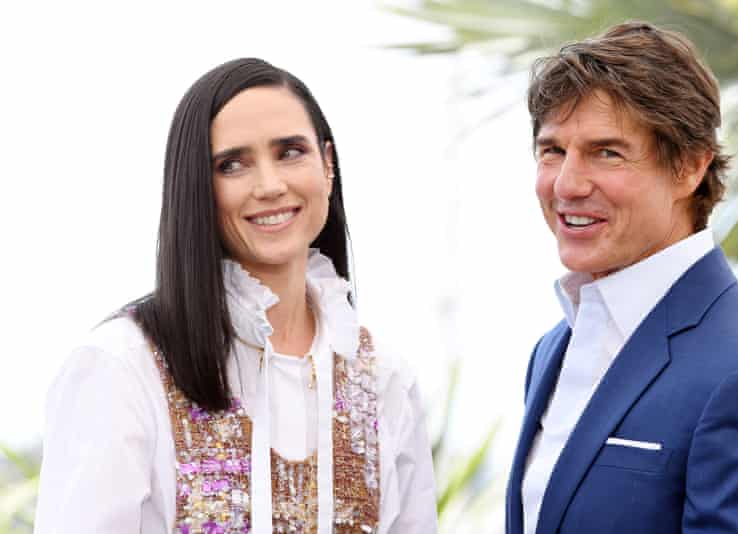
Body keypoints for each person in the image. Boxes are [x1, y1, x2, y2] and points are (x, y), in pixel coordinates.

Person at [35, 58, 437, 534]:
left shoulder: (382, 379)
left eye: (290, 152)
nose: (270, 185)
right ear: (197, 189)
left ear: (328, 165)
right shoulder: (121, 367)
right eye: (232, 164)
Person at [506, 22, 738, 534]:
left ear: (689, 166)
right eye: (553, 150)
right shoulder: (553, 348)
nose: (567, 184)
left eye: (607, 152)